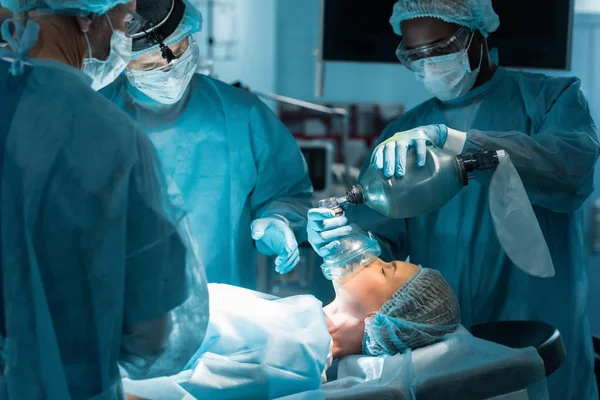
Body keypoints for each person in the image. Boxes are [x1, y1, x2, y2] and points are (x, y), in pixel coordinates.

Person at [307, 1, 600, 399]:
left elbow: (571, 170)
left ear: (476, 34)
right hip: (443, 344)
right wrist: (343, 242)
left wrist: (462, 143)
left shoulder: (549, 99)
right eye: (415, 55)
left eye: (440, 49)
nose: (428, 64)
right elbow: (382, 240)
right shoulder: (402, 133)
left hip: (539, 324)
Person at [0, 0, 209, 397]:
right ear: (88, 16)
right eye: (124, 20)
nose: (125, 36)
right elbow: (153, 338)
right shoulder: (107, 136)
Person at [100, 0, 313, 289]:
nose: (169, 69)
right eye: (149, 65)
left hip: (223, 307)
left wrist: (279, 220)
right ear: (121, 62)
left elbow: (286, 190)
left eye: (178, 51)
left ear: (190, 34)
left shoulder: (241, 113)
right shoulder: (95, 117)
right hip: (124, 306)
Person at [121, 249, 461, 399]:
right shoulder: (300, 323)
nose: (371, 258)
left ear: (380, 319)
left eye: (385, 268)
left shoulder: (291, 356)